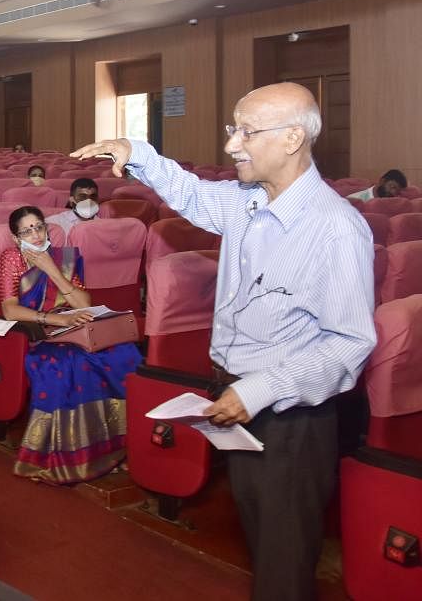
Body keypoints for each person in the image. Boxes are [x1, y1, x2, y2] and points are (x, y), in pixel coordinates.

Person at [71, 82, 376, 601]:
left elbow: (348, 343)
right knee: (263, 536)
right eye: (232, 130)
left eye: (247, 132)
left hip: (291, 414)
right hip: (239, 397)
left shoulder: (335, 229)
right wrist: (137, 152)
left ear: (292, 138)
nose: (233, 145)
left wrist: (258, 390)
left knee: (284, 559)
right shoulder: (247, 201)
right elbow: (189, 192)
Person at [0, 206, 138, 483]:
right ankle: (71, 456)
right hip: (39, 332)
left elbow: (84, 304)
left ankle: (116, 448)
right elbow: (10, 310)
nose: (36, 235)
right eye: (27, 230)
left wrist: (51, 269)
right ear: (15, 237)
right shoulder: (11, 259)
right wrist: (54, 320)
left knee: (123, 352)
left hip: (75, 326)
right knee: (70, 363)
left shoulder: (65, 258)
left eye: (39, 227)